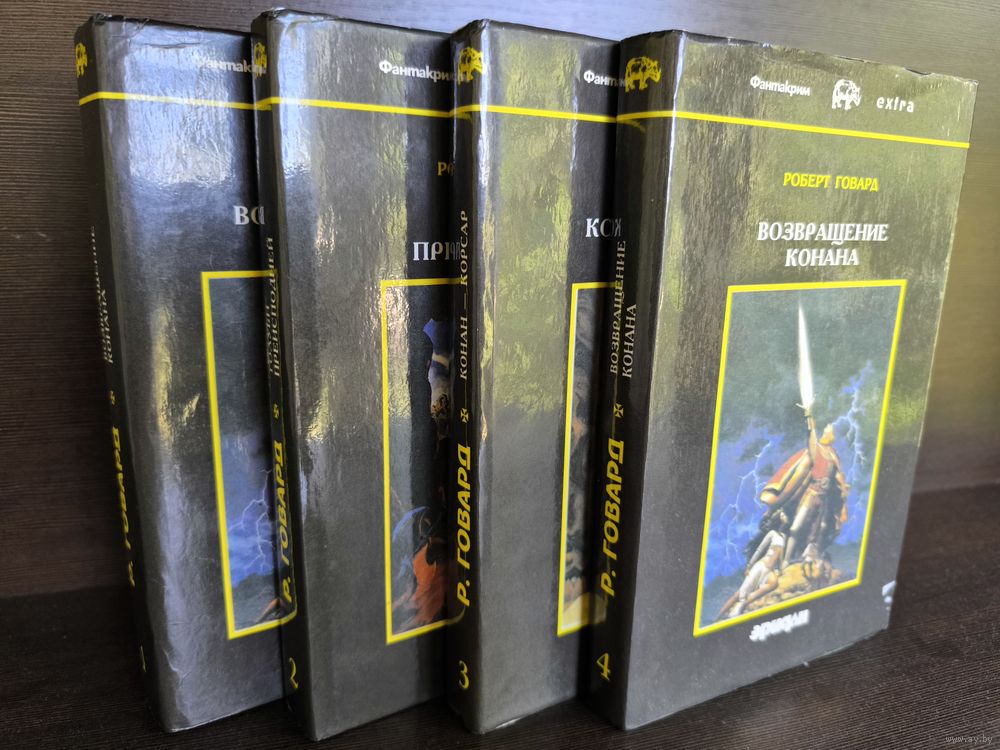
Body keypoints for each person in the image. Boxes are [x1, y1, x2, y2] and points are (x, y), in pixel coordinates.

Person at [758, 406, 849, 567]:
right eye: (829, 430)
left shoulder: (833, 454)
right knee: (796, 528)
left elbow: (837, 476)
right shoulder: (816, 449)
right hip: (811, 495)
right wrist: (809, 417)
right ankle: (786, 562)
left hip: (824, 500)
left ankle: (806, 556)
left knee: (816, 532)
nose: (832, 433)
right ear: (823, 432)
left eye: (832, 431)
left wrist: (841, 486)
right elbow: (811, 434)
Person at [718, 529, 786, 619]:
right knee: (738, 594)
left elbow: (781, 555)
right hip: (760, 566)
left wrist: (780, 569)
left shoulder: (784, 537)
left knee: (774, 583)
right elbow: (760, 549)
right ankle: (718, 617)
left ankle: (743, 604)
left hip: (769, 571)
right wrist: (749, 565)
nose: (785, 520)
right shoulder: (772, 533)